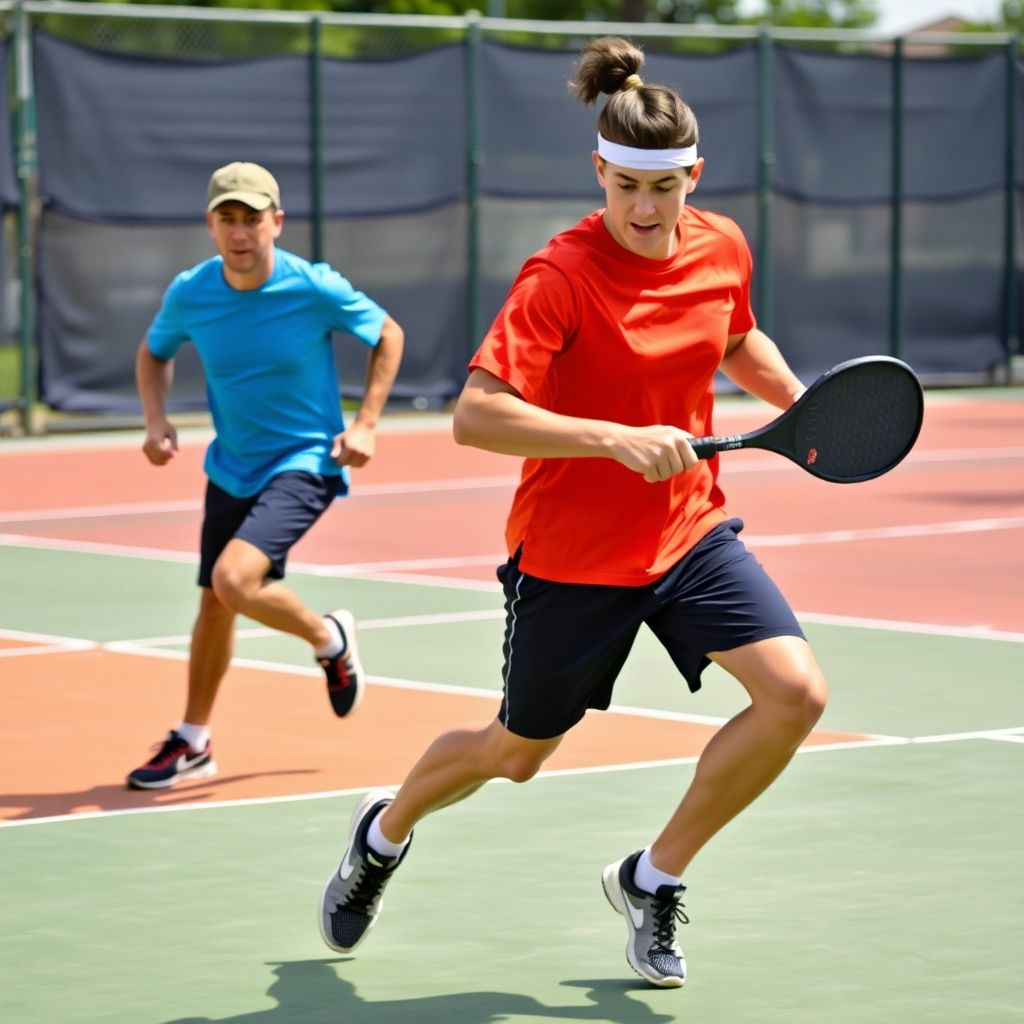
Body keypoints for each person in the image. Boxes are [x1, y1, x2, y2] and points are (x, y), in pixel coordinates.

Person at [317, 37, 828, 989]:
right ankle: (382, 835)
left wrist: (800, 406)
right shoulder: (558, 276)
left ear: (693, 177)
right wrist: (613, 437)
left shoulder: (720, 244)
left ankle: (653, 876)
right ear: (599, 170)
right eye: (628, 185)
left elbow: (737, 333)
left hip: (688, 532)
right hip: (574, 556)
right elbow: (477, 416)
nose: (645, 208)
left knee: (795, 693)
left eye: (666, 186)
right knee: (515, 756)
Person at [127, 161, 404, 790]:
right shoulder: (191, 292)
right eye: (228, 219)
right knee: (214, 605)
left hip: (305, 462)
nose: (240, 232)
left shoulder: (313, 287)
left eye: (252, 218)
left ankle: (326, 636)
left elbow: (388, 333)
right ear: (211, 226)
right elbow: (154, 351)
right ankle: (194, 741)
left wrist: (365, 424)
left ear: (275, 222)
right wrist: (154, 419)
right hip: (231, 464)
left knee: (232, 580)